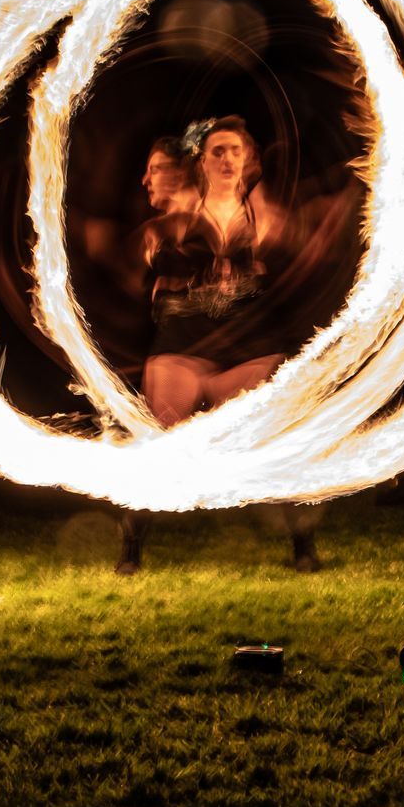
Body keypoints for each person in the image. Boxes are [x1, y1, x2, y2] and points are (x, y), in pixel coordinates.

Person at [117, 117, 327, 574]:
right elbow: (140, 257)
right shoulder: (178, 218)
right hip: (184, 342)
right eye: (217, 151)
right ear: (202, 162)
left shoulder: (263, 215)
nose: (227, 158)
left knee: (273, 444)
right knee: (160, 444)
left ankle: (303, 547)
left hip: (248, 343)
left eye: (234, 150)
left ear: (248, 158)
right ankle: (130, 551)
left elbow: (307, 249)